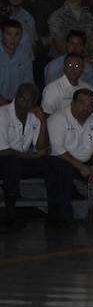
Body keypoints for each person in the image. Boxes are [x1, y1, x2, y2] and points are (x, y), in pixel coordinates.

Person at [43, 86, 93, 226]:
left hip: (88, 160)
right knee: (60, 170)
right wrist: (80, 166)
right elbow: (57, 148)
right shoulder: (58, 118)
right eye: (81, 103)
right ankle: (63, 218)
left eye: (90, 104)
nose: (86, 108)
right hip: (62, 159)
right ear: (72, 103)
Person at [0, 81, 48, 224]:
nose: (24, 104)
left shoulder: (33, 118)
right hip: (4, 159)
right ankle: (10, 214)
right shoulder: (3, 114)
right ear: (16, 96)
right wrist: (31, 156)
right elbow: (3, 150)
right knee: (12, 163)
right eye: (22, 98)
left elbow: (41, 148)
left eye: (29, 101)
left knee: (53, 163)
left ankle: (58, 210)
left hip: (22, 159)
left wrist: (43, 121)